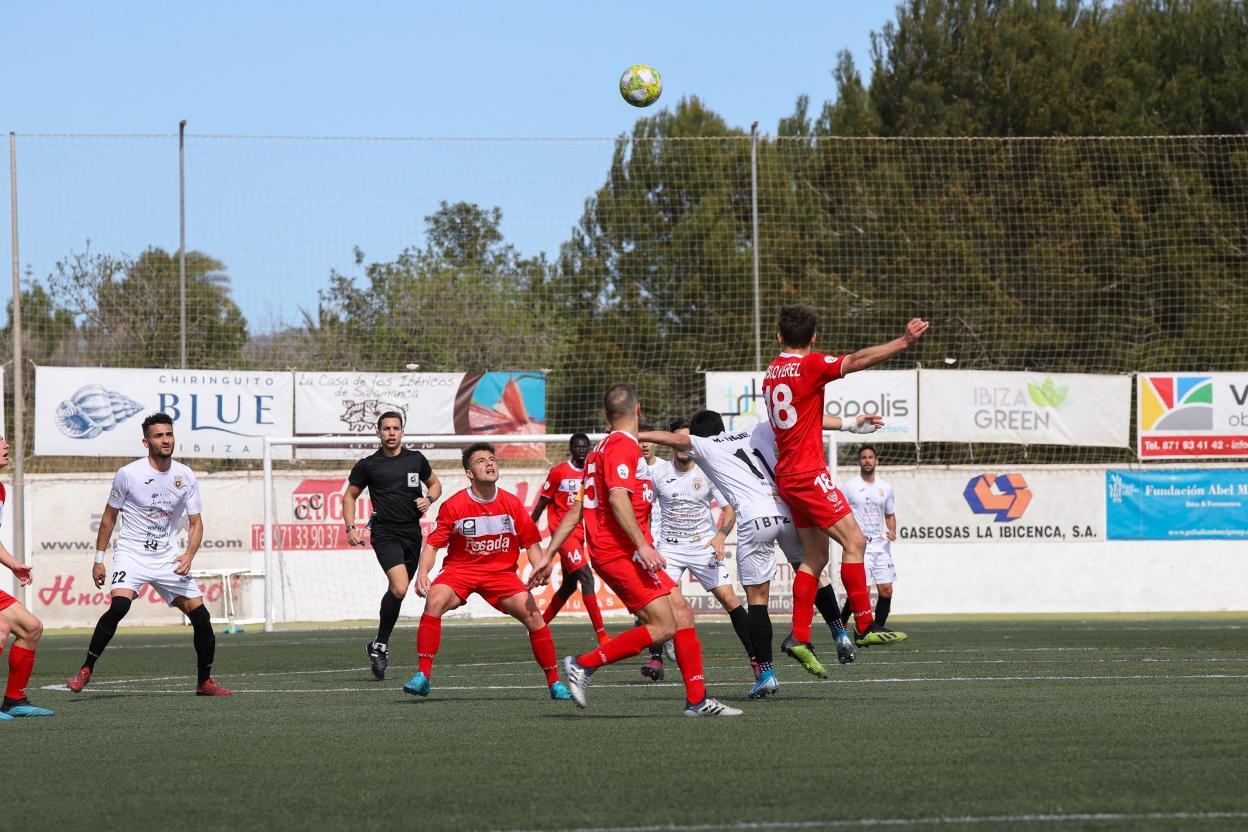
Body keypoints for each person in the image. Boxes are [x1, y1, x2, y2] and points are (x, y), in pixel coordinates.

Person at [641, 410, 879, 699]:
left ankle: (766, 673)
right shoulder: (757, 430)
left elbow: (668, 438)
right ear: (724, 426)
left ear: (696, 436)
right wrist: (851, 424)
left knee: (757, 601)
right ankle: (840, 633)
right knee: (813, 569)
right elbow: (806, 419)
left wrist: (629, 434)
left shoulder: (705, 445)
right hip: (786, 510)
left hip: (755, 519)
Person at [547, 385, 741, 717]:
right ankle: (583, 664)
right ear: (638, 411)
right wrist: (641, 545)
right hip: (620, 553)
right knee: (664, 626)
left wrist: (548, 553)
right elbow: (618, 498)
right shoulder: (623, 447)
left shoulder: (598, 451)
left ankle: (697, 700)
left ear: (606, 417)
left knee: (681, 613)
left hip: (622, 551)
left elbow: (578, 508)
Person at [761, 305, 924, 664]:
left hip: (787, 476)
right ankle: (864, 626)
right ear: (814, 338)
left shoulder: (772, 373)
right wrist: (903, 341)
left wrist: (850, 424)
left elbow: (804, 418)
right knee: (856, 540)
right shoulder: (811, 365)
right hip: (808, 475)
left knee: (816, 557)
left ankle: (799, 636)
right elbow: (856, 360)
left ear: (779, 337)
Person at [66, 413, 230, 696]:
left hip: (167, 558)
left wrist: (189, 554)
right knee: (120, 607)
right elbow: (108, 519)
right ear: (146, 442)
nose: (165, 440)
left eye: (169, 434)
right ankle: (86, 669)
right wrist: (98, 560)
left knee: (201, 617)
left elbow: (196, 523)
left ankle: (205, 682)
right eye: (158, 436)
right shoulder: (128, 474)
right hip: (131, 555)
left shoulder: (185, 475)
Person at [403, 443, 570, 700]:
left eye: (492, 459)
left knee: (535, 617)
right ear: (469, 473)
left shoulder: (511, 504)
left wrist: (540, 566)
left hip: (501, 575)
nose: (489, 464)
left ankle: (555, 682)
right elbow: (433, 545)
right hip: (461, 570)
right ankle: (423, 676)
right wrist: (422, 573)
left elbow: (532, 544)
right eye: (481, 461)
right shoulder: (454, 506)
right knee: (433, 600)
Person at [643, 417, 753, 681]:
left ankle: (758, 659)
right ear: (671, 442)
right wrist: (648, 545)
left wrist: (720, 536)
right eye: (678, 439)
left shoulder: (708, 470)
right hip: (669, 548)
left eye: (687, 440)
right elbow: (644, 513)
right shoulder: (658, 474)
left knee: (730, 599)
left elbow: (728, 511)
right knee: (660, 603)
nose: (683, 445)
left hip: (703, 545)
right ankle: (656, 658)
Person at [343, 411, 443, 680]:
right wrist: (350, 527)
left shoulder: (415, 459)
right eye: (386, 428)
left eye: (395, 428)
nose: (391, 432)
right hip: (385, 532)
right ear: (378, 432)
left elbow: (434, 484)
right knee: (399, 586)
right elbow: (350, 495)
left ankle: (378, 645)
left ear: (402, 431)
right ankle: (381, 644)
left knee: (397, 592)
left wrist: (429, 500)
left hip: (412, 533)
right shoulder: (368, 465)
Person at [529, 433, 609, 644]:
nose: (582, 450)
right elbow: (541, 504)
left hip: (581, 534)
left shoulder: (592, 473)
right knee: (587, 578)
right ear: (571, 449)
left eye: (585, 447)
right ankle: (602, 635)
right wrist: (527, 531)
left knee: (569, 586)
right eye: (578, 447)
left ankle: (539, 626)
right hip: (564, 536)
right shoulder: (559, 472)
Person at [0, 438, 53, 719]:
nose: (6, 445)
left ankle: (13, 700)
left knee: (30, 627)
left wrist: (13, 565)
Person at [840, 446, 907, 645]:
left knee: (886, 590)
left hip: (881, 547)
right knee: (862, 591)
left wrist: (892, 530)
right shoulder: (850, 486)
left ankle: (876, 629)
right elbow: (842, 514)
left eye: (870, 457)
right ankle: (841, 626)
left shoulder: (885, 488)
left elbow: (890, 514)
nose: (867, 460)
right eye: (863, 457)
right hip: (860, 548)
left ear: (876, 461)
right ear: (859, 462)